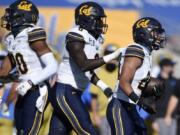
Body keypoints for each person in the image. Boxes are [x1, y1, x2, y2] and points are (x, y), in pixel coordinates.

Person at [48, 2, 122, 135]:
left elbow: (88, 71)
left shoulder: (96, 39)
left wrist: (104, 87)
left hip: (72, 92)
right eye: (98, 19)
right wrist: (112, 56)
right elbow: (83, 65)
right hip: (64, 91)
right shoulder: (75, 35)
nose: (101, 23)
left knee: (58, 132)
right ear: (87, 19)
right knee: (87, 130)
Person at [0, 0, 58, 134]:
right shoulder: (10, 38)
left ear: (22, 17)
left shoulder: (33, 34)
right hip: (23, 90)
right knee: (20, 130)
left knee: (29, 132)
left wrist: (29, 82)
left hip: (38, 89)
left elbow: (52, 66)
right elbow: (7, 70)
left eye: (12, 15)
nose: (8, 18)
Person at [106, 17, 166, 135]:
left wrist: (149, 93)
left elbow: (136, 82)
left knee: (142, 131)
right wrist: (141, 102)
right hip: (120, 105)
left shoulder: (145, 52)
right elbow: (124, 82)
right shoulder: (136, 50)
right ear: (144, 33)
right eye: (156, 33)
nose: (159, 37)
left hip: (129, 105)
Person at [151, 58, 177, 135]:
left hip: (173, 117)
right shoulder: (155, 82)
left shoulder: (174, 81)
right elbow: (150, 101)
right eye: (171, 65)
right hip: (159, 117)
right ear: (164, 67)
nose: (173, 67)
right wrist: (153, 120)